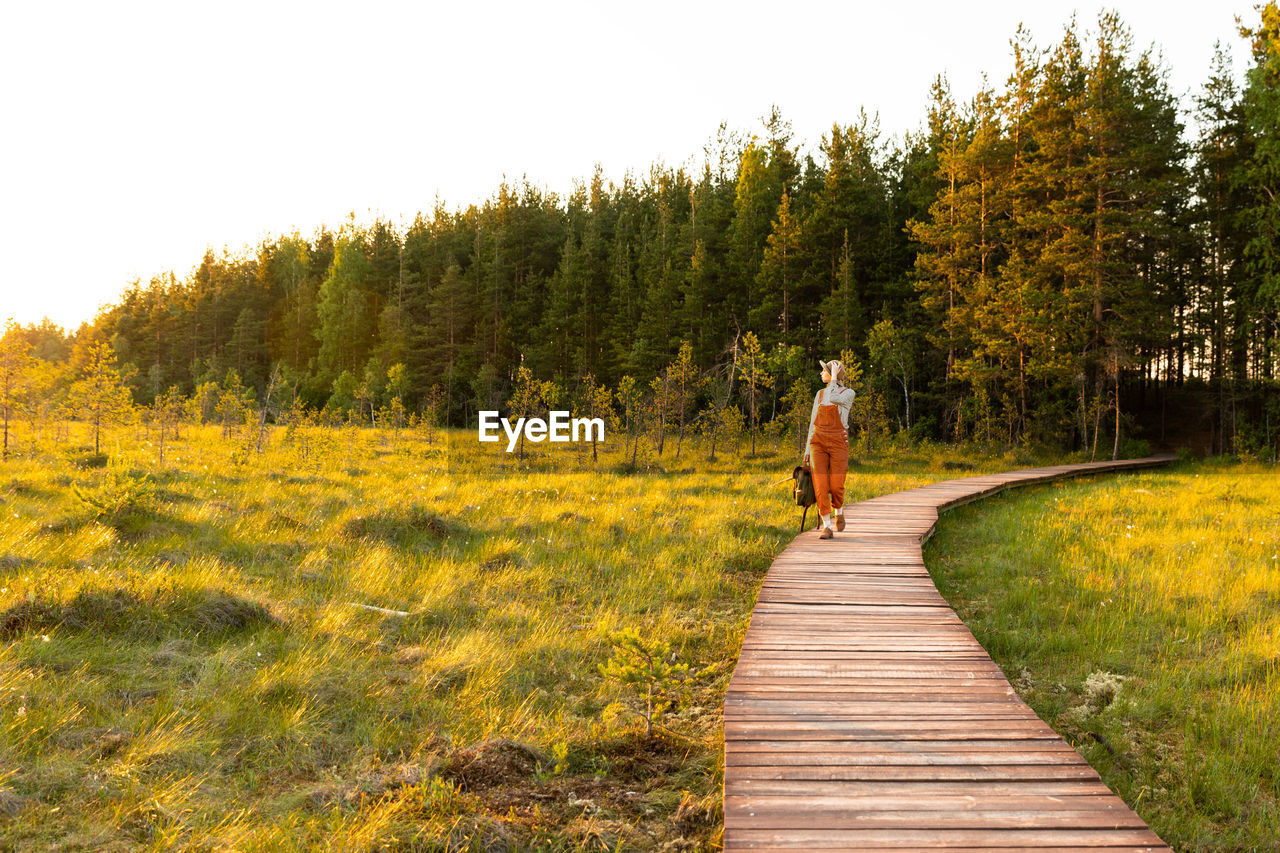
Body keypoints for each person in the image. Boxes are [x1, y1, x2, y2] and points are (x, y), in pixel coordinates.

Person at [804, 359, 855, 540]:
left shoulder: (849, 393)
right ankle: (827, 526)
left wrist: (833, 377)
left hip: (839, 442)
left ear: (833, 374)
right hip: (818, 441)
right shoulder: (819, 394)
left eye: (824, 371)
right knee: (820, 484)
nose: (821, 373)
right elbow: (812, 423)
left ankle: (838, 510)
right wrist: (806, 452)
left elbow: (834, 397)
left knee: (836, 484)